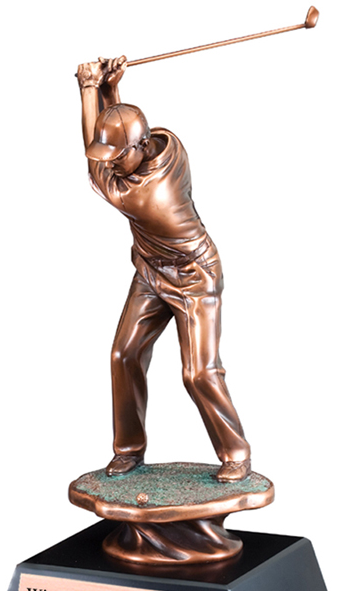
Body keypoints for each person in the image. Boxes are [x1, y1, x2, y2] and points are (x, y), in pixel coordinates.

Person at [77, 56, 252, 483]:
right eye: (110, 155)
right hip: (151, 271)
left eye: (118, 156)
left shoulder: (145, 195)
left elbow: (95, 167)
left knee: (199, 373)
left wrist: (87, 88)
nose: (111, 163)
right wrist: (112, 93)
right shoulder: (166, 143)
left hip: (194, 276)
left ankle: (236, 452)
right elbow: (117, 139)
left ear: (139, 149)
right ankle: (128, 450)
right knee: (124, 354)